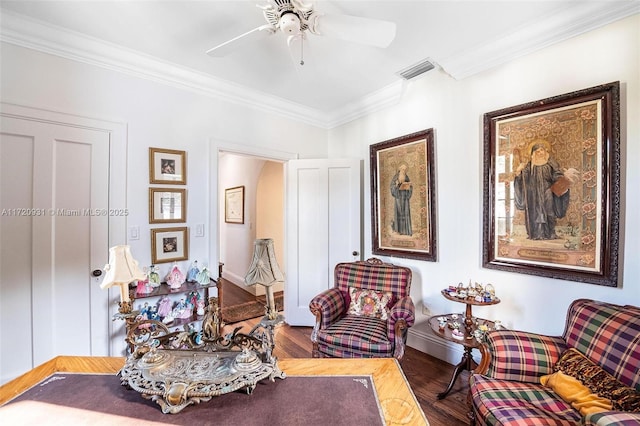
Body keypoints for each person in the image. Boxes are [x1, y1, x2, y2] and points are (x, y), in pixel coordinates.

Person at [513, 141, 579, 240]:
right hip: (533, 194)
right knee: (534, 212)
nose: (540, 153)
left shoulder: (551, 163)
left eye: (542, 150)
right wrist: (519, 172)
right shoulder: (530, 165)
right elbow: (523, 178)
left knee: (549, 211)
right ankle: (535, 234)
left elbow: (557, 175)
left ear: (545, 151)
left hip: (547, 192)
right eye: (537, 151)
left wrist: (563, 179)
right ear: (534, 153)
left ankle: (550, 233)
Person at [390, 164, 413, 236]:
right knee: (399, 212)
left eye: (405, 170)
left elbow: (410, 186)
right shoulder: (396, 177)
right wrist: (396, 185)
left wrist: (409, 185)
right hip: (398, 196)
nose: (404, 171)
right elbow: (392, 186)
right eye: (403, 170)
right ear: (400, 169)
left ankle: (406, 230)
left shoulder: (406, 177)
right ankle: (398, 230)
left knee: (405, 213)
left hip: (405, 197)